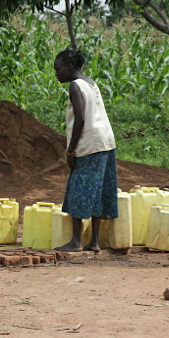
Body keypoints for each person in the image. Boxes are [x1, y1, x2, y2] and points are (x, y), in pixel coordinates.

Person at [52, 48, 118, 252]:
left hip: (90, 144)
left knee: (78, 189)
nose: (56, 74)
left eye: (58, 69)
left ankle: (76, 242)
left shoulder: (75, 86)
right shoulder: (91, 82)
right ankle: (95, 242)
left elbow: (80, 119)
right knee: (97, 189)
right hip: (106, 141)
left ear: (69, 67)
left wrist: (70, 151)